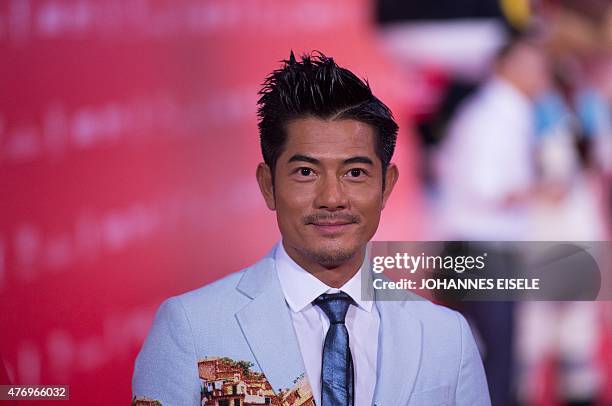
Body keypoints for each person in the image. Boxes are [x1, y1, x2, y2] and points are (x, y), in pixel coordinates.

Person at [132, 51, 490, 406]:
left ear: (387, 186)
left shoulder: (447, 336)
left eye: (355, 173)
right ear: (268, 185)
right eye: (306, 172)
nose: (332, 198)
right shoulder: (192, 326)